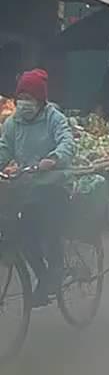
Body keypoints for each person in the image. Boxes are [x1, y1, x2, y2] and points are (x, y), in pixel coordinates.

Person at [0, 69, 76, 305]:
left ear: (40, 100)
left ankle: (56, 270)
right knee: (22, 236)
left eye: (29, 98)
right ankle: (44, 277)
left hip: (55, 183)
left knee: (48, 228)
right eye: (21, 97)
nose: (24, 103)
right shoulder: (13, 124)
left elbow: (67, 142)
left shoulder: (55, 118)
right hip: (27, 186)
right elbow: (4, 148)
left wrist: (53, 158)